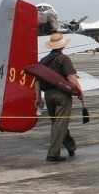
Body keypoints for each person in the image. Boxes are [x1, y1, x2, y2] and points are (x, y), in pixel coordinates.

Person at [36, 32, 83, 162]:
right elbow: (71, 77)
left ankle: (70, 145)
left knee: (57, 122)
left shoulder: (43, 60)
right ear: (63, 46)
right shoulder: (64, 59)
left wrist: (38, 98)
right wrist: (79, 91)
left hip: (49, 95)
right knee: (60, 123)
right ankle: (53, 153)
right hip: (62, 95)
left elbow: (37, 80)